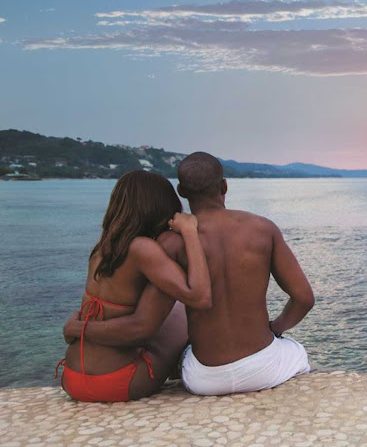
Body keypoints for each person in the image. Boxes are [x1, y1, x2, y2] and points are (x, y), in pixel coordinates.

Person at [65, 152, 315, 395]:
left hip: (204, 379)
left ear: (182, 192)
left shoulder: (167, 243)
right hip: (264, 368)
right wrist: (275, 329)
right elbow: (304, 298)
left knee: (176, 312)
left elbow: (149, 320)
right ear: (224, 186)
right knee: (295, 351)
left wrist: (81, 328)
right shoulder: (264, 229)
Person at [58, 170, 212, 402]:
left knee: (166, 304)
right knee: (181, 312)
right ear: (159, 207)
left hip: (72, 378)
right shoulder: (142, 248)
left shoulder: (101, 249)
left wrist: (75, 328)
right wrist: (190, 232)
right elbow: (199, 297)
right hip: (116, 381)